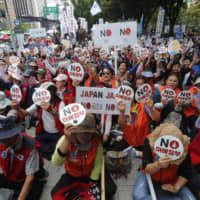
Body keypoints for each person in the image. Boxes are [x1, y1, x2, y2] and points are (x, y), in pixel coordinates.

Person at [132, 123, 196, 200]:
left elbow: (187, 171)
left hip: (172, 179)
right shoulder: (149, 140)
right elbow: (146, 167)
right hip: (149, 175)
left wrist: (176, 187)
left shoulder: (184, 146)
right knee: (138, 196)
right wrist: (158, 165)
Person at [51, 113, 103, 198]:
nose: (87, 136)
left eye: (89, 133)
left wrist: (92, 181)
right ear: (76, 131)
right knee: (55, 193)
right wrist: (67, 141)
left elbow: (98, 163)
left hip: (89, 175)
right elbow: (56, 162)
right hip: (72, 175)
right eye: (82, 132)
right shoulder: (65, 140)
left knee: (108, 189)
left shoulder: (96, 141)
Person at [11, 82, 65, 160]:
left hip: (58, 134)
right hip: (44, 133)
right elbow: (25, 113)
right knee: (33, 143)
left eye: (44, 93)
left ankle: (47, 152)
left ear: (52, 93)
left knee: (58, 148)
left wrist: (52, 111)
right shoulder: (38, 104)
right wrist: (18, 108)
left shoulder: (60, 103)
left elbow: (63, 119)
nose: (42, 96)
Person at [0, 115, 45, 200]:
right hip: (13, 174)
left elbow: (30, 178)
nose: (3, 142)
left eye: (7, 138)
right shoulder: (2, 142)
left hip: (32, 180)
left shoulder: (30, 147)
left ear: (15, 135)